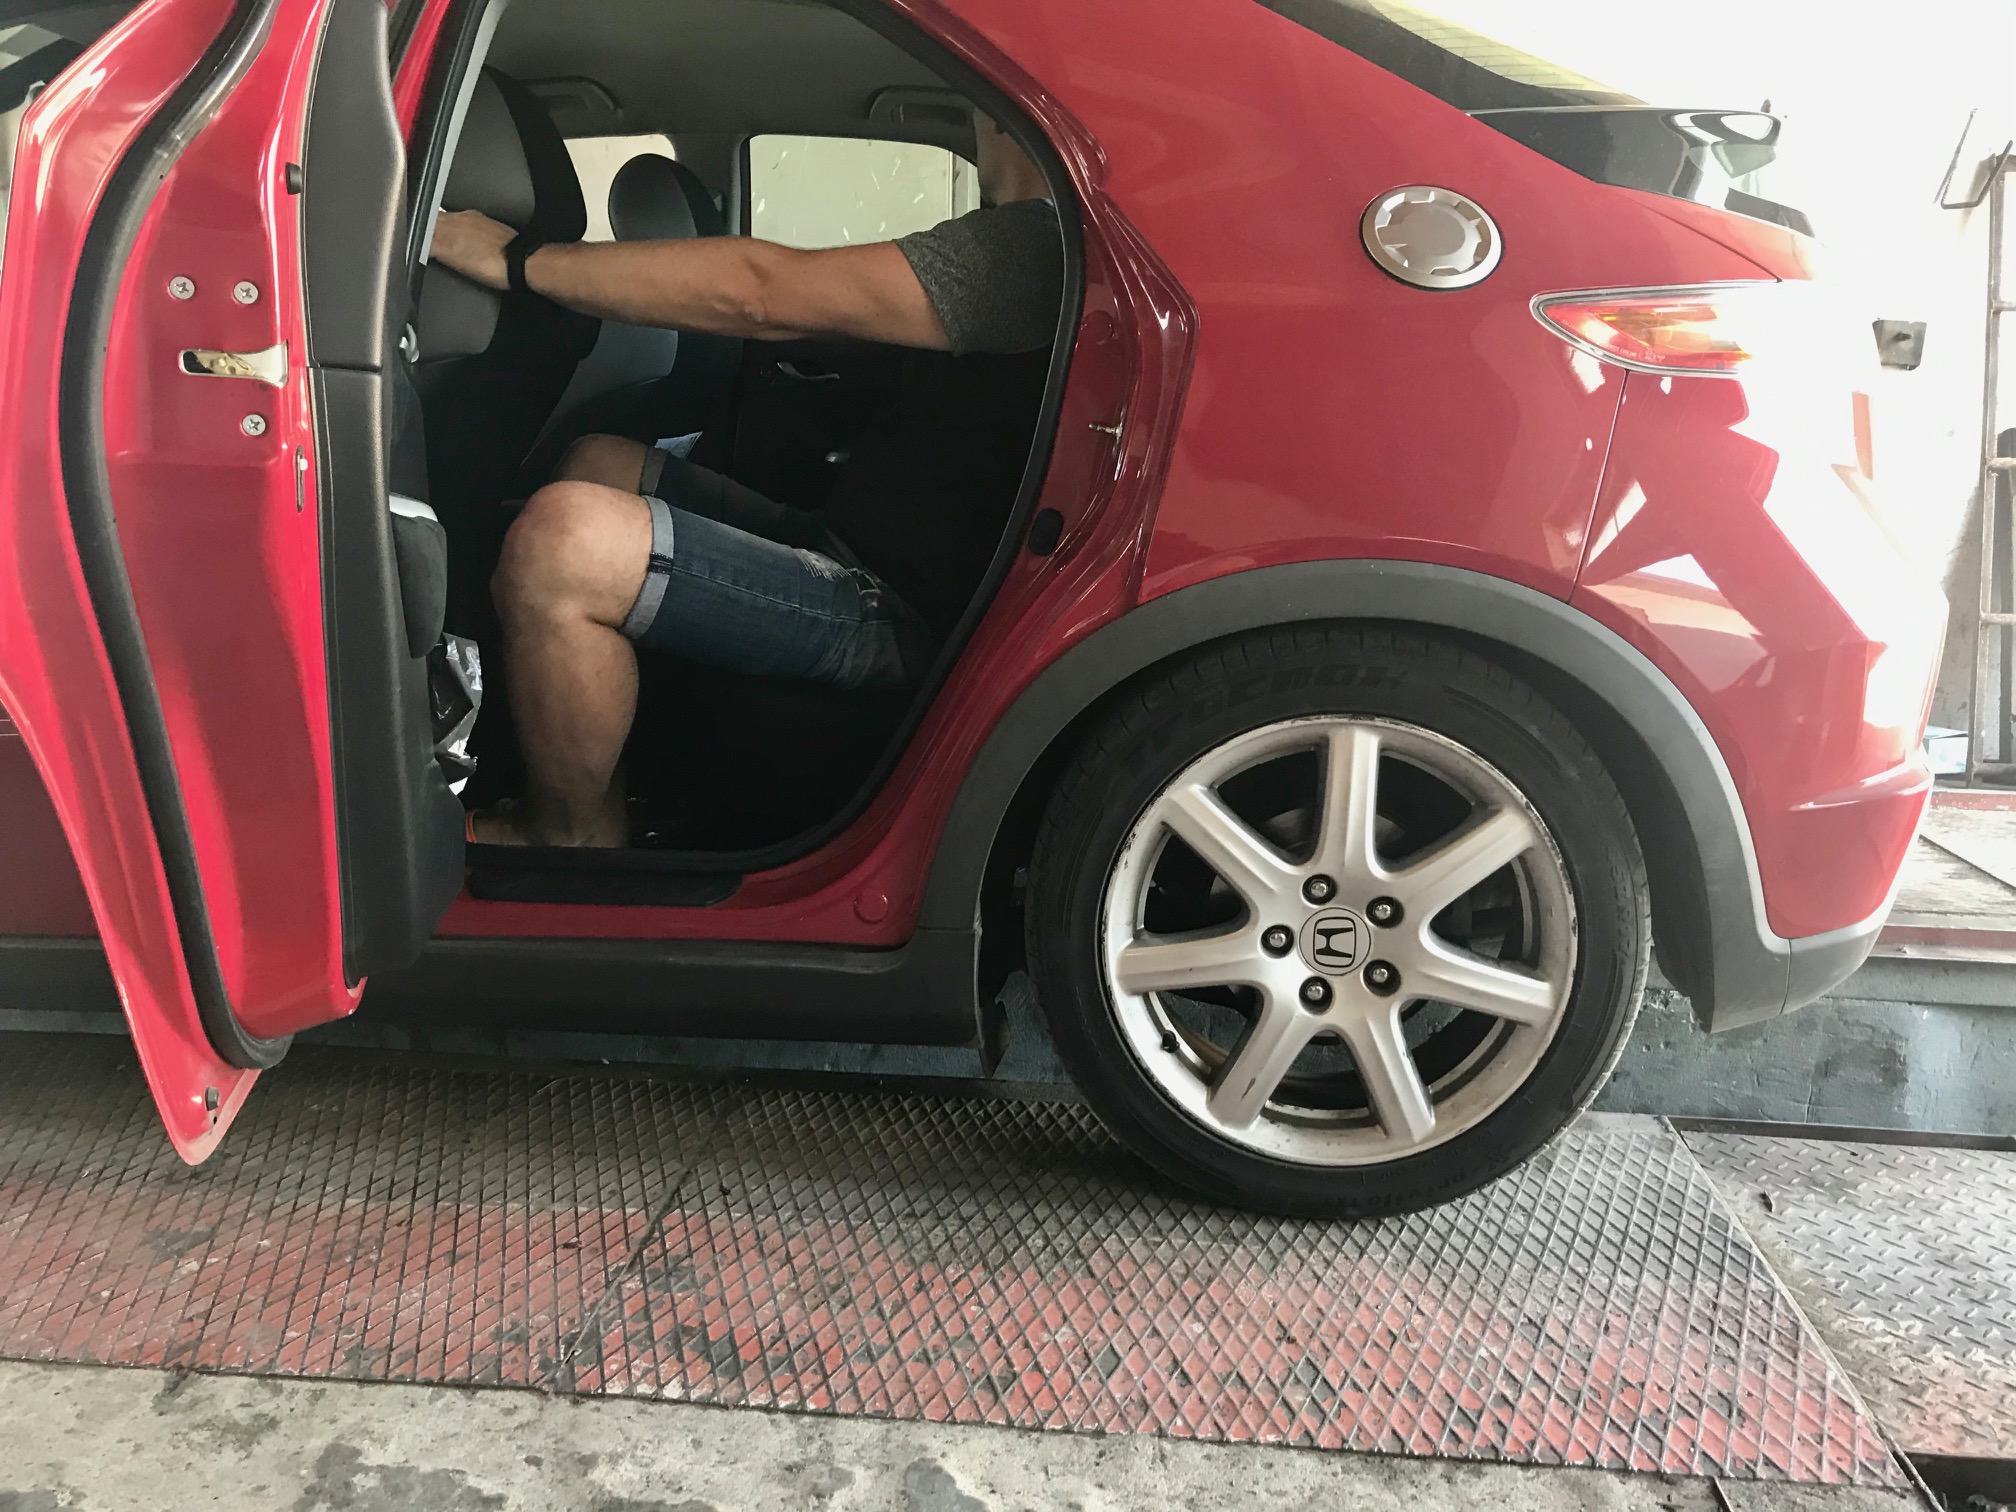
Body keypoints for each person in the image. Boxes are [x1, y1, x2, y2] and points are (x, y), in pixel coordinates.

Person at [429, 114, 1063, 846]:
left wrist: (518, 261)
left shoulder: (1031, 247)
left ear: (1000, 119)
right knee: (599, 462)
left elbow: (762, 291)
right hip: (858, 545)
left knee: (561, 543)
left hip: (909, 614)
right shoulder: (1021, 240)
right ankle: (603, 763)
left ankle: (568, 834)